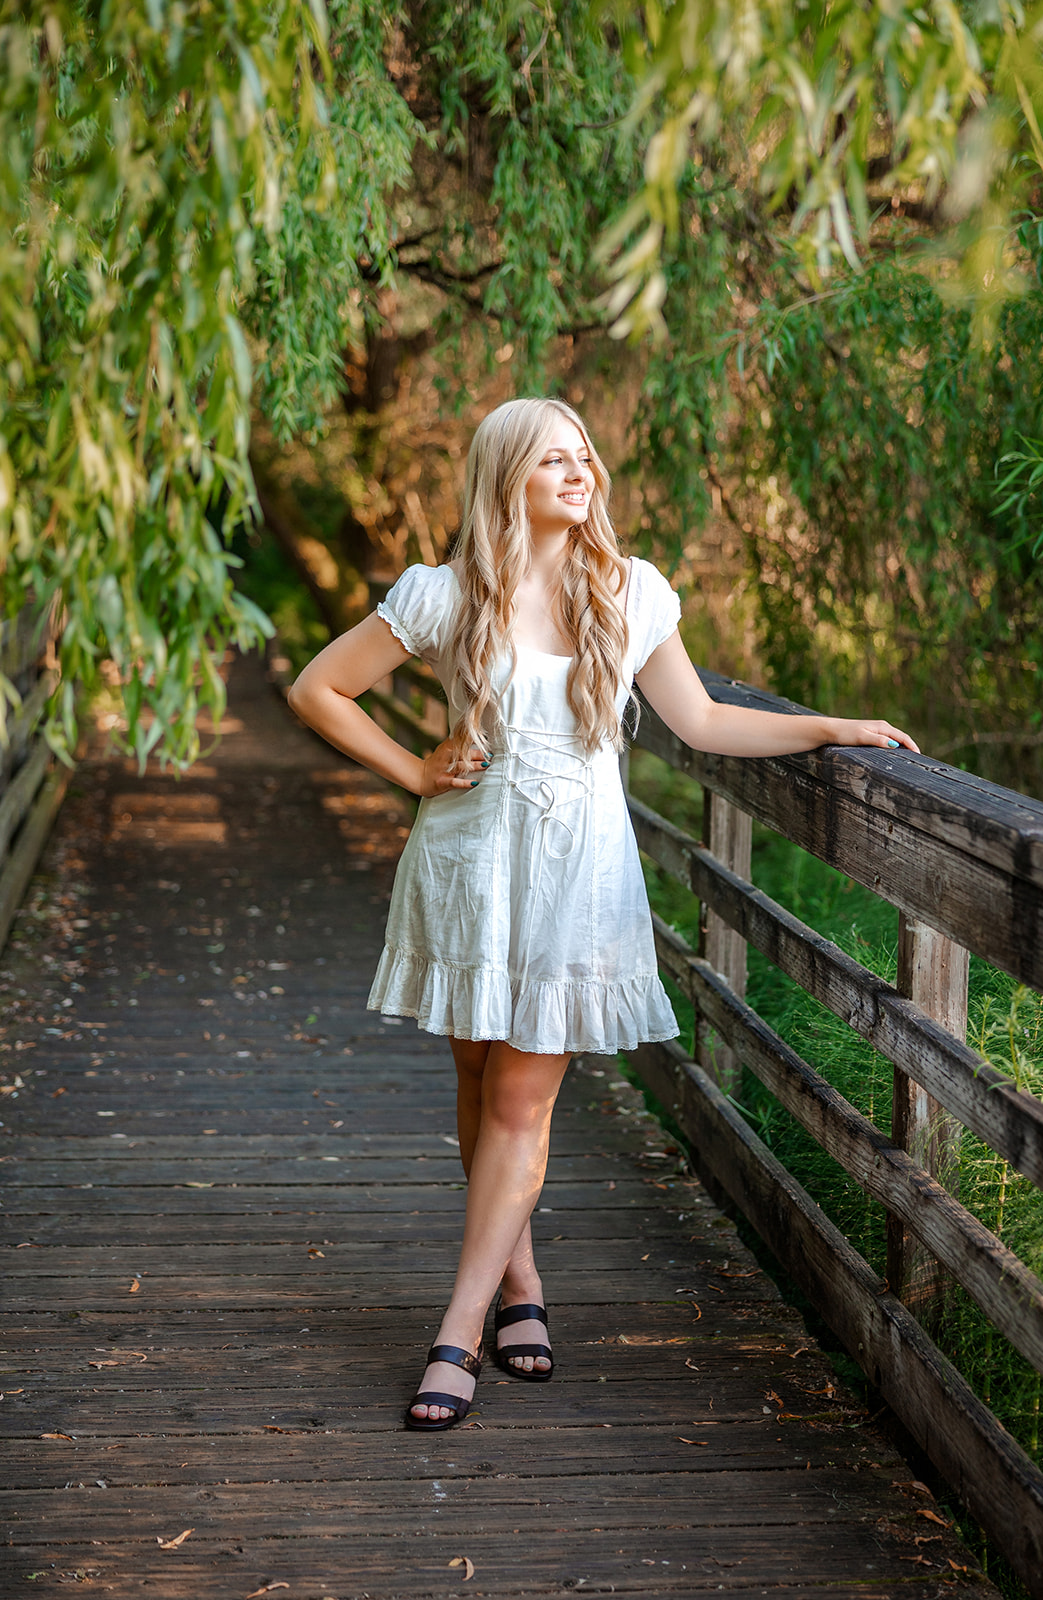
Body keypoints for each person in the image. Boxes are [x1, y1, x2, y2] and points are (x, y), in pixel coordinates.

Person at [288, 396, 918, 1432]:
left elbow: (703, 721)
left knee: (520, 1104)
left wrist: (830, 725)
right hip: (469, 872)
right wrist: (413, 769)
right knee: (479, 1077)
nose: (579, 474)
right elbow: (319, 689)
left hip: (575, 881)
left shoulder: (628, 593)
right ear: (506, 481)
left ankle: (457, 1331)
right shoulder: (445, 596)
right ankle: (520, 1281)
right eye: (552, 461)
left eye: (584, 457)